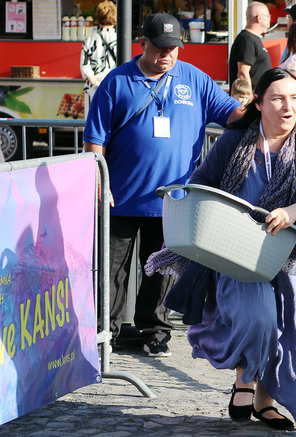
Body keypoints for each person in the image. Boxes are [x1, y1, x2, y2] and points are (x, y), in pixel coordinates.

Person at [148, 68, 296, 430]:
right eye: (278, 98)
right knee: (258, 318)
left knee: (290, 327)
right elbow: (203, 182)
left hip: (294, 251)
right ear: (259, 102)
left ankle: (265, 401)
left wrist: (292, 211)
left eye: (294, 98)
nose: (288, 107)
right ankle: (244, 379)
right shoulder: (235, 140)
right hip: (240, 251)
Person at [83, 13, 244, 357]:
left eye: (173, 48)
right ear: (143, 43)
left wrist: (267, 107)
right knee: (112, 271)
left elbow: (234, 114)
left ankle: (154, 332)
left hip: (173, 199)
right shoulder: (116, 81)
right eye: (159, 48)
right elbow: (95, 140)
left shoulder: (195, 79)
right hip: (119, 197)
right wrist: (99, 183)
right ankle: (105, 334)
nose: (167, 54)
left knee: (163, 270)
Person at [79, 0, 117, 114]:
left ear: (98, 17)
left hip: (93, 90)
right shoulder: (119, 39)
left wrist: (96, 83)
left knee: (93, 121)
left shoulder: (90, 38)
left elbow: (85, 66)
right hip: (114, 88)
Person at [229, 1, 272, 93]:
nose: (270, 19)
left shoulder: (253, 38)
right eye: (268, 16)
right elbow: (243, 73)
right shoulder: (247, 40)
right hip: (250, 97)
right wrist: (248, 96)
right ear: (259, 18)